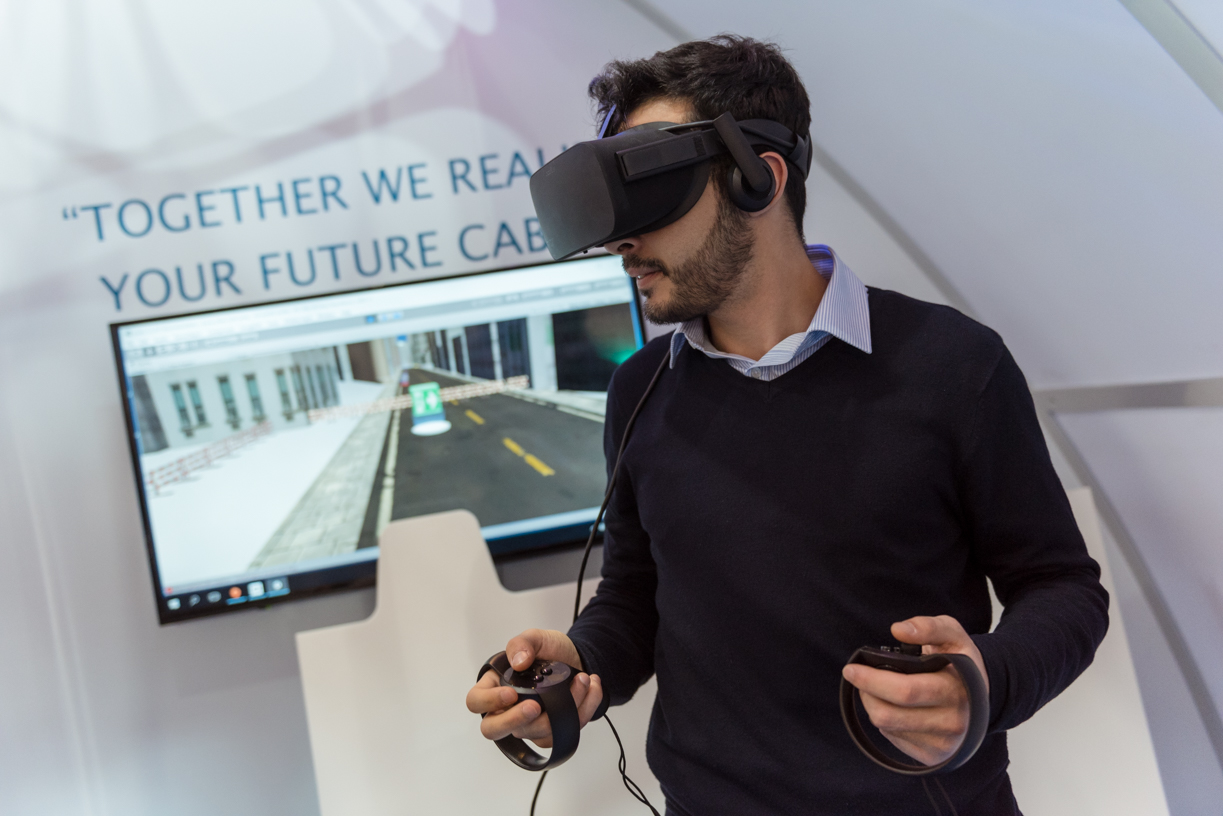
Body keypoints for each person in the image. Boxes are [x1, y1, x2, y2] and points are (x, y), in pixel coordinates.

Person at [466, 36, 1108, 815]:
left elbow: (1061, 588)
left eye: (648, 192)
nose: (620, 240)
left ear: (759, 179)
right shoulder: (641, 389)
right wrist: (580, 660)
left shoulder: (950, 366)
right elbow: (636, 595)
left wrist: (986, 679)